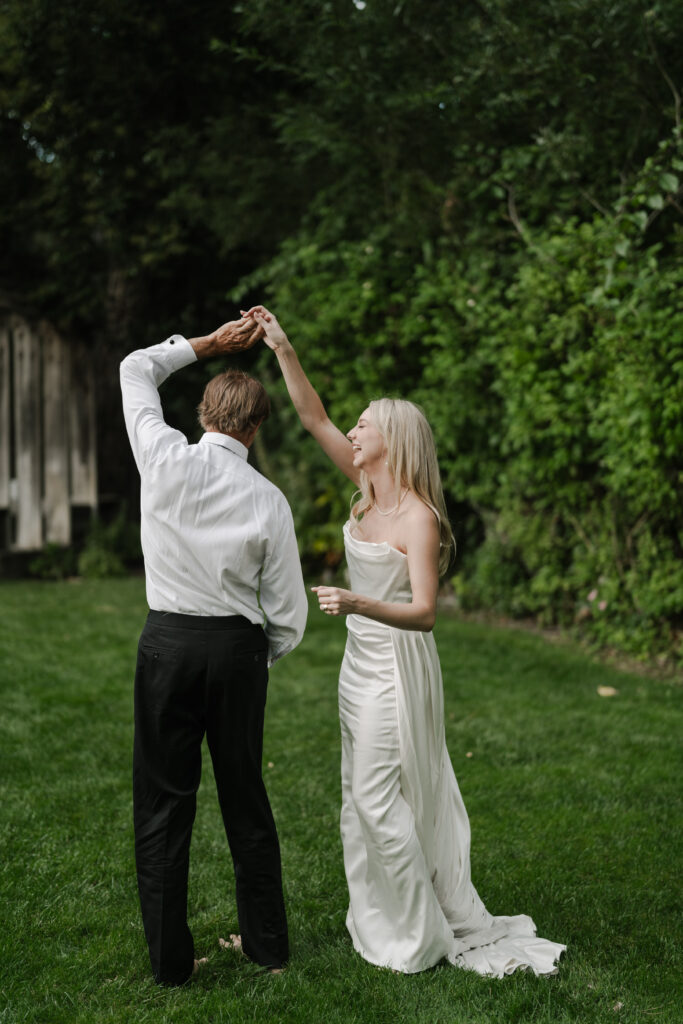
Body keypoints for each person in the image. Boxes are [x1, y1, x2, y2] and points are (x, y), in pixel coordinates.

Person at [243, 303, 566, 977]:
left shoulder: (417, 517)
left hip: (395, 667)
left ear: (391, 439)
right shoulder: (365, 490)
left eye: (364, 424)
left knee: (376, 797)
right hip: (356, 666)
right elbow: (313, 419)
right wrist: (281, 347)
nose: (352, 431)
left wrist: (357, 601)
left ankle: (420, 934)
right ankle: (384, 915)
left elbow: (423, 612)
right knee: (358, 795)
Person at [120, 316, 307, 986]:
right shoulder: (269, 500)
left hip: (167, 646)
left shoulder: (162, 457)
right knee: (244, 797)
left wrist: (209, 345)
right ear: (256, 429)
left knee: (163, 805)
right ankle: (268, 950)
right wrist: (253, 660)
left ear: (203, 413)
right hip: (237, 653)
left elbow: (135, 368)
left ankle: (171, 965)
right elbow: (288, 615)